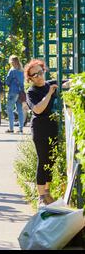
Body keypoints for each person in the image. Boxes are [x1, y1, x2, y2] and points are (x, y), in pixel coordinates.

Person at [25, 59, 71, 207]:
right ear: (30, 78)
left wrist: (69, 84)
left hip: (52, 126)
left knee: (51, 160)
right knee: (43, 160)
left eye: (41, 72)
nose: (39, 76)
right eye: (35, 74)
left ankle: (47, 191)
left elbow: (69, 82)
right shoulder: (31, 92)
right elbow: (38, 109)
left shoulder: (50, 83)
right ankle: (40, 195)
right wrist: (50, 93)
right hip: (40, 129)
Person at [5, 55, 25, 134]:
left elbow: (7, 81)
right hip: (20, 92)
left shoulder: (12, 70)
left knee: (9, 110)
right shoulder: (21, 70)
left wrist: (10, 84)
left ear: (12, 62)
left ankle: (11, 128)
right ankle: (20, 129)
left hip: (13, 91)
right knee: (20, 110)